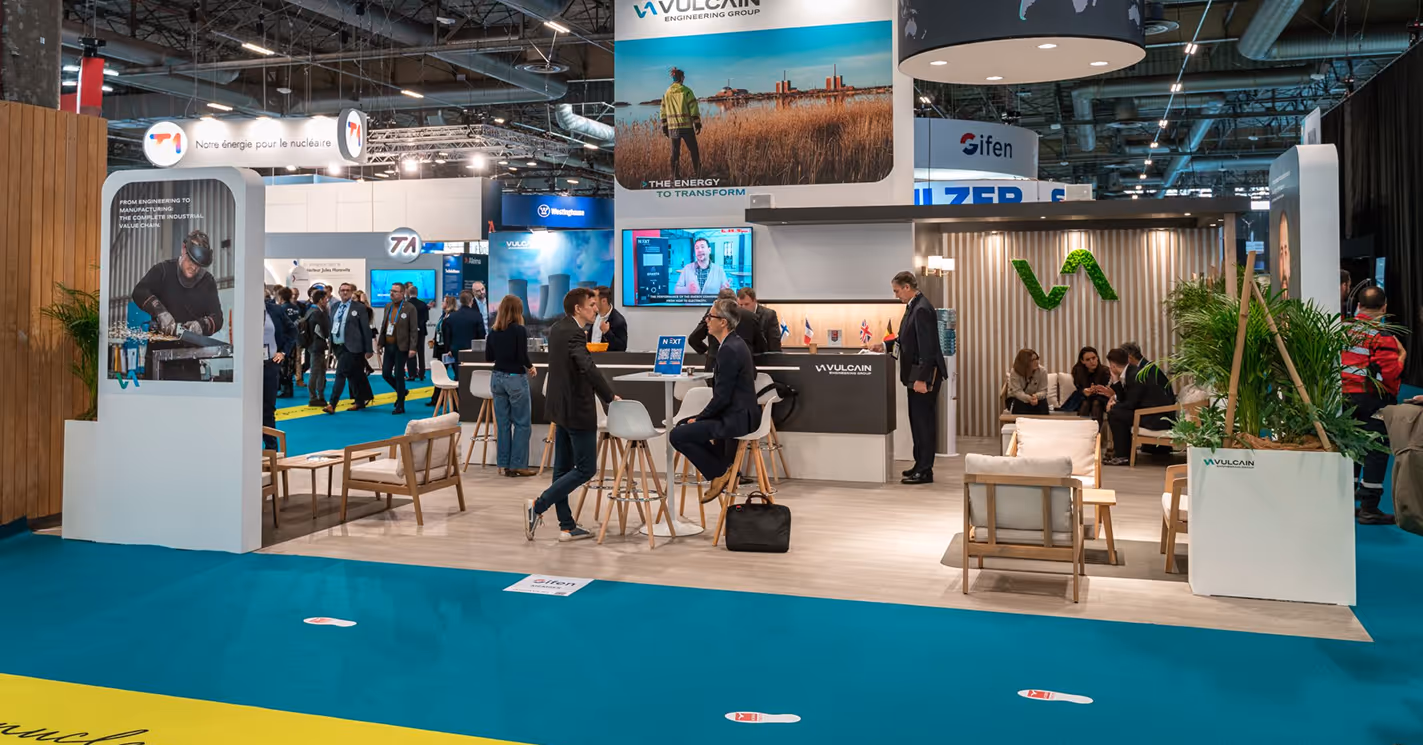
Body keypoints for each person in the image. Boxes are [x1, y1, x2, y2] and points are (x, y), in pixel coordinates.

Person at [525, 288, 619, 543]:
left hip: (560, 408)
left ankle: (566, 526)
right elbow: (586, 366)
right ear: (578, 308)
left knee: (562, 469)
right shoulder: (575, 333)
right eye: (591, 305)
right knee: (586, 469)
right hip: (577, 409)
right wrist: (609, 395)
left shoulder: (558, 328)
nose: (596, 309)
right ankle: (539, 505)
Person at [671, 298, 760, 501]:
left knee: (677, 435)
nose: (706, 321)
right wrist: (700, 418)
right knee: (683, 425)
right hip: (736, 413)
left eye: (710, 317)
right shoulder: (734, 344)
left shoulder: (729, 349)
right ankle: (724, 470)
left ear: (723, 322)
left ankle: (720, 472)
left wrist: (700, 418)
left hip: (737, 418)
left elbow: (722, 397)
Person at [872, 271, 947, 485]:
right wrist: (884, 345)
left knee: (924, 423)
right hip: (914, 374)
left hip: (922, 376)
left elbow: (927, 348)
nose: (896, 295)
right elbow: (906, 338)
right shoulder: (913, 306)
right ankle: (919, 463)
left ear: (907, 287)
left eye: (897, 291)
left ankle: (925, 470)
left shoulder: (922, 308)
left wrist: (922, 379)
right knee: (917, 422)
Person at [1344, 286, 1405, 525]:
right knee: (1376, 451)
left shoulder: (1343, 329)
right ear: (1384, 307)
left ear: (1358, 306)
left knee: (1350, 448)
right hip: (1372, 398)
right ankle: (1369, 508)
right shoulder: (1383, 336)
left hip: (1343, 398)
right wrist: (1402, 357)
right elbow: (1390, 374)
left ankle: (1345, 502)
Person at [131, 229, 223, 381]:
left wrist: (201, 325)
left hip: (189, 364)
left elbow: (218, 318)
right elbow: (139, 292)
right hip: (157, 362)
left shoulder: (207, 282)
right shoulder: (163, 271)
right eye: (191, 260)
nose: (194, 267)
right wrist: (160, 312)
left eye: (198, 264)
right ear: (183, 249)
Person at [486, 295, 538, 478]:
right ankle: (518, 465)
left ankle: (505, 464)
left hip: (496, 378)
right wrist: (531, 367)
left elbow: (489, 357)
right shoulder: (519, 330)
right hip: (515, 378)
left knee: (503, 424)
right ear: (518, 311)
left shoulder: (493, 332)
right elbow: (522, 356)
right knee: (522, 423)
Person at [1104, 343, 1176, 466]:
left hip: (1157, 418)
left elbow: (1131, 403)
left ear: (1113, 365)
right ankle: (1122, 453)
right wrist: (1115, 380)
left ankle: (1123, 455)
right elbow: (1125, 398)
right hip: (1150, 413)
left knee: (1115, 413)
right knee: (1117, 412)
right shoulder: (1132, 372)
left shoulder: (1134, 375)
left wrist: (1113, 406)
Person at [324, 283, 375, 414]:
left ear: (352, 292)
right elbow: (331, 325)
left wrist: (369, 349)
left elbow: (365, 329)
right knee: (354, 374)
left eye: (347, 290)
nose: (345, 292)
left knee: (340, 373)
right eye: (342, 290)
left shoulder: (359, 307)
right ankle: (360, 401)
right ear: (339, 292)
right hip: (338, 345)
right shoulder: (334, 307)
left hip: (353, 346)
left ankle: (332, 404)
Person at [689, 288, 765, 370]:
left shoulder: (713, 314)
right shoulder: (750, 316)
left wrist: (709, 352)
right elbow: (761, 345)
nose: (708, 320)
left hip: (715, 364)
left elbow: (693, 339)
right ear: (736, 300)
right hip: (744, 365)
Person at [380, 283, 420, 415]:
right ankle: (402, 391)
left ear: (402, 294)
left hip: (401, 346)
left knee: (399, 375)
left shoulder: (410, 308)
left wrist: (413, 348)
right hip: (389, 345)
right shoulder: (388, 306)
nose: (392, 293)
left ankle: (400, 405)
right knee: (386, 374)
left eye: (395, 291)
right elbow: (384, 326)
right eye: (391, 291)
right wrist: (380, 343)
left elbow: (414, 330)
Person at [262, 291, 293, 450]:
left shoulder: (275, 310)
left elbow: (292, 331)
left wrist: (283, 352)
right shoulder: (240, 310)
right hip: (246, 367)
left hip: (269, 364)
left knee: (268, 408)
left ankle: (271, 448)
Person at [660, 66, 702, 180]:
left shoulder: (667, 92)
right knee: (694, 151)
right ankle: (698, 174)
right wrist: (697, 123)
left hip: (673, 128)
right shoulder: (686, 91)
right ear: (682, 78)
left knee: (675, 153)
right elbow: (693, 108)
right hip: (687, 127)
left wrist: (664, 127)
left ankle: (675, 176)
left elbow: (662, 111)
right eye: (683, 77)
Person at [426, 295, 458, 407]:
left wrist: (451, 348)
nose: (442, 303)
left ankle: (456, 400)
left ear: (448, 303)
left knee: (457, 374)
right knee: (440, 374)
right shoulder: (443, 315)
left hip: (449, 350)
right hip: (441, 348)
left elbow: (452, 334)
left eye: (444, 301)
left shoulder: (453, 316)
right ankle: (436, 399)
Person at [304, 289, 332, 408]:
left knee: (320, 371)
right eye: (325, 299)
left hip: (312, 345)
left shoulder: (310, 311)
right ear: (320, 300)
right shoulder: (318, 313)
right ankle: (314, 397)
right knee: (316, 372)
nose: (327, 301)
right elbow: (325, 330)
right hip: (317, 345)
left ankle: (319, 396)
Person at [1070, 346, 1112, 422]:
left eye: (1094, 358)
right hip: (1084, 397)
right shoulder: (1077, 370)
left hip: (1100, 397)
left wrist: (1097, 390)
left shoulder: (1104, 371)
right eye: (1088, 359)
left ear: (1097, 358)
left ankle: (1097, 429)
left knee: (1096, 403)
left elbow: (1106, 388)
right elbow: (1079, 388)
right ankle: (1082, 428)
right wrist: (1084, 391)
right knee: (1085, 403)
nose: (1092, 361)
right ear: (1082, 361)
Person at [737, 287, 782, 353]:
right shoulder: (736, 316)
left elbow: (774, 344)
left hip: (763, 356)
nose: (743, 308)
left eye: (746, 304)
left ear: (755, 301)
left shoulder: (769, 315)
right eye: (740, 305)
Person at [1006, 348, 1050, 416]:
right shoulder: (1015, 372)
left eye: (1037, 359)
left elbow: (1043, 391)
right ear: (1025, 362)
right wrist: (1029, 399)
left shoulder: (1042, 371)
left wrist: (1036, 396)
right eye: (1033, 360)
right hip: (1019, 398)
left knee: (1043, 403)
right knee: (1019, 404)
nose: (1037, 362)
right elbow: (1017, 392)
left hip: (1036, 398)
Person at [277, 287, 303, 398]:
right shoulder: (296, 308)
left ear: (280, 297)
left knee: (283, 365)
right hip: (294, 339)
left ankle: (285, 389)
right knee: (291, 364)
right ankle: (289, 388)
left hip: (284, 340)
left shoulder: (281, 309)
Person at [445, 289, 487, 355]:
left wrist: (449, 349)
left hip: (456, 353)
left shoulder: (451, 317)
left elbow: (447, 336)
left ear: (460, 301)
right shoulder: (477, 316)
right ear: (471, 300)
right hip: (473, 353)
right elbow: (481, 336)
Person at [589, 286, 628, 351]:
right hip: (591, 356)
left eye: (594, 299)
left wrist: (607, 332)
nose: (592, 301)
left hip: (605, 357)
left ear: (604, 301)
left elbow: (622, 347)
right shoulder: (594, 315)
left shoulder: (618, 321)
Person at [404, 282, 430, 382]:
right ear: (417, 293)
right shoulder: (423, 304)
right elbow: (426, 318)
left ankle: (412, 374)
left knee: (411, 352)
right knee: (421, 352)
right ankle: (422, 373)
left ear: (408, 293)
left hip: (410, 332)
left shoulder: (406, 304)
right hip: (421, 331)